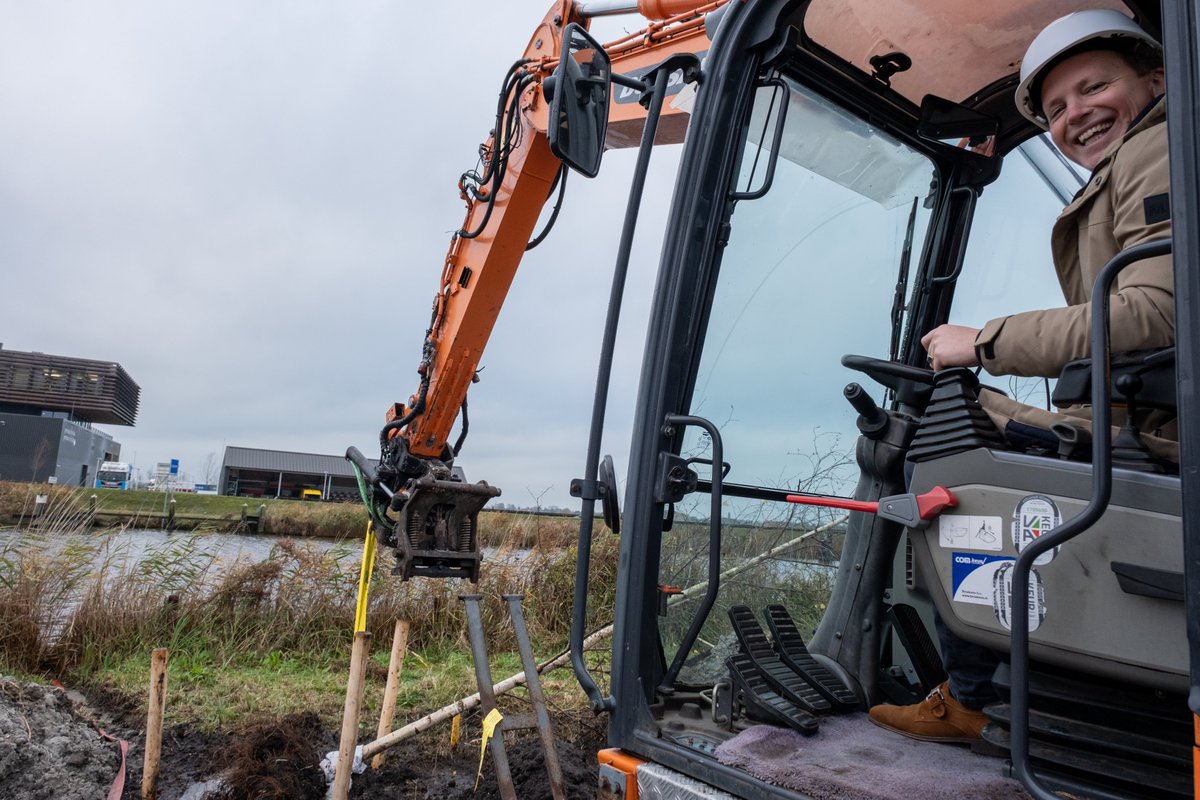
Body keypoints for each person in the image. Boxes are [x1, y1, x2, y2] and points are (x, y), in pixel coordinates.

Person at [869, 8, 1172, 744]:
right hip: (1150, 416)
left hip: (1161, 433)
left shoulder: (1161, 151)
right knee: (970, 413)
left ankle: (971, 694)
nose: (1076, 115)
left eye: (1095, 87)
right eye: (1059, 107)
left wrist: (986, 341)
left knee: (953, 459)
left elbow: (1158, 314)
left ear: (1157, 81)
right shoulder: (1130, 167)